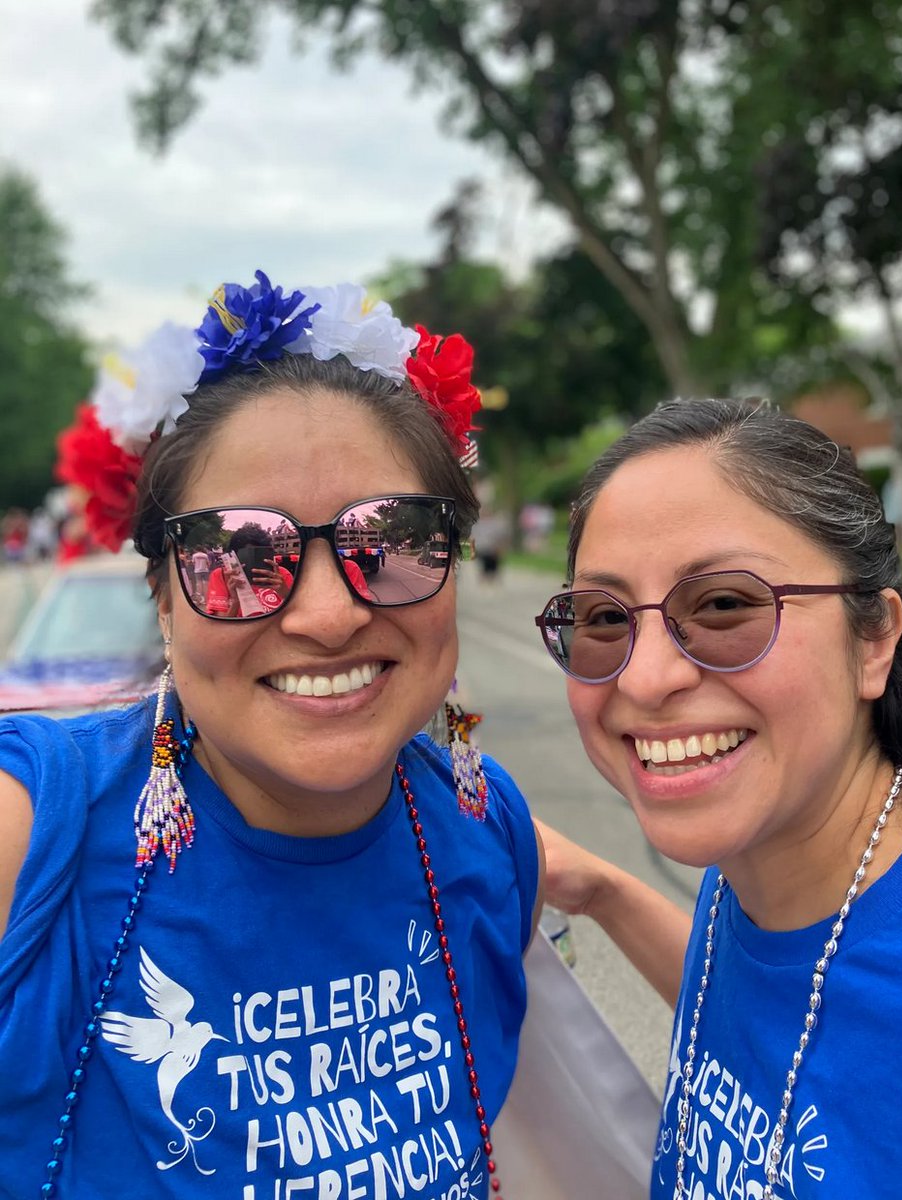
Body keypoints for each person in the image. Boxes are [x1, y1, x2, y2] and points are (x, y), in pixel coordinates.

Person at [0, 272, 542, 1198]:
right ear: (163, 596)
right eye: (242, 552)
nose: (328, 616)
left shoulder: (489, 833)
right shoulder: (31, 835)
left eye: (395, 537)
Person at [532, 397, 902, 1199]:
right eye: (602, 617)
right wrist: (608, 893)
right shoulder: (761, 874)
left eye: (725, 604)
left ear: (873, 640)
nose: (646, 677)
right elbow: (777, 1013)